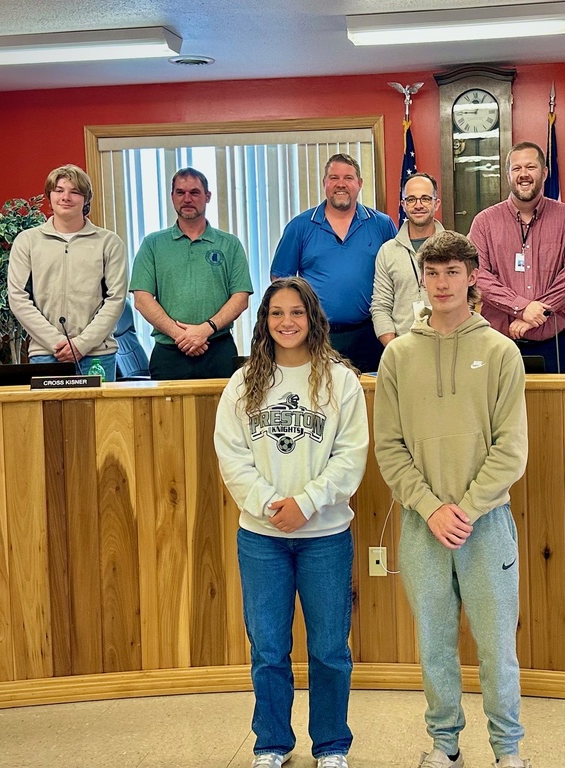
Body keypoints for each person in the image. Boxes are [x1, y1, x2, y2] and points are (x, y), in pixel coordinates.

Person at [374, 231, 531, 768]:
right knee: (435, 648)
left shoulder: (501, 352)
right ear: (422, 279)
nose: (442, 284)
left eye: (452, 273)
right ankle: (444, 746)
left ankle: (508, 750)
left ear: (472, 278)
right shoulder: (398, 356)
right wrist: (431, 507)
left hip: (486, 525)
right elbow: (389, 449)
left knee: (496, 651)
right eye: (432, 273)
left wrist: (465, 508)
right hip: (423, 526)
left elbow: (511, 451)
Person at [214, 277, 368, 768]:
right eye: (276, 313)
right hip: (262, 540)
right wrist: (267, 504)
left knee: (328, 650)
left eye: (296, 313)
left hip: (324, 536)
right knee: (268, 649)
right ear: (264, 321)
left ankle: (331, 746)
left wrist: (307, 502)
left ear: (313, 318)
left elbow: (350, 456)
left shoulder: (339, 379)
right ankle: (272, 744)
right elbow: (231, 456)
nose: (286, 322)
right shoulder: (243, 383)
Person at [271, 153, 397, 373]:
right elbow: (281, 282)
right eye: (334, 178)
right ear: (324, 183)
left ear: (359, 184)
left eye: (348, 178)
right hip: (319, 335)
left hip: (371, 333)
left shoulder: (382, 224)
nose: (341, 184)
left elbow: (396, 274)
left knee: (371, 399)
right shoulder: (300, 226)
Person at [469, 141, 565, 373]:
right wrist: (521, 308)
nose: (523, 175)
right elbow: (478, 276)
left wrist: (538, 313)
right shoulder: (484, 222)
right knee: (498, 410)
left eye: (530, 167)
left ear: (544, 173)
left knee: (562, 410)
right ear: (508, 175)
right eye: (516, 168)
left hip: (555, 344)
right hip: (499, 341)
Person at [7, 164, 128, 380]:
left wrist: (82, 344)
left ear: (85, 199)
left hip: (97, 354)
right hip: (46, 353)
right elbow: (18, 298)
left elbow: (116, 299)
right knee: (51, 415)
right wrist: (56, 342)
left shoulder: (109, 243)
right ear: (50, 195)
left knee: (101, 415)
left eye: (74, 192)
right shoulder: (27, 241)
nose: (66, 197)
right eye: (59, 190)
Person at [131, 167, 253, 380]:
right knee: (164, 415)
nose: (187, 198)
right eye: (180, 192)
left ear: (207, 197)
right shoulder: (153, 244)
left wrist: (205, 330)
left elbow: (241, 298)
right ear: (172, 197)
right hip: (169, 352)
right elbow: (142, 299)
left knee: (222, 414)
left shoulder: (229, 244)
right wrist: (182, 336)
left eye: (194, 192)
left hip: (218, 350)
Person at [371, 172, 445, 345]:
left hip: (448, 346)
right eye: (411, 199)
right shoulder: (387, 251)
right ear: (403, 205)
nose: (418, 205)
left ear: (437, 204)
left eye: (425, 199)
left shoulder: (455, 247)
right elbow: (380, 306)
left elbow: (467, 301)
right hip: (402, 348)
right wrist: (394, 347)